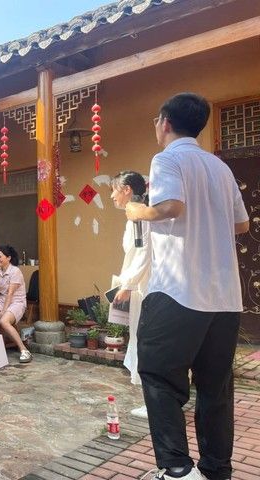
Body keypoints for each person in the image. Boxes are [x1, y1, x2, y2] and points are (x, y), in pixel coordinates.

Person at [126, 93, 249, 480]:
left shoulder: (167, 159)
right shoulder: (220, 167)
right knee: (216, 389)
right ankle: (216, 470)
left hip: (178, 292)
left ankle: (177, 469)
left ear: (165, 122)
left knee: (159, 376)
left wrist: (138, 210)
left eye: (156, 121)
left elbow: (171, 207)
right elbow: (242, 224)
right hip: (224, 298)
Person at [110, 171, 151, 418]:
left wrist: (128, 284)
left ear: (127, 190)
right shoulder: (135, 216)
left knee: (144, 340)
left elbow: (144, 253)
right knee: (139, 339)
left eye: (114, 190)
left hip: (144, 289)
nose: (112, 196)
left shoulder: (139, 216)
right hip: (137, 287)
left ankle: (154, 401)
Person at [0, 245, 32, 363]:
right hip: (2, 300)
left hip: (17, 302)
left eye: (0, 256)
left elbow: (10, 294)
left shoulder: (15, 271)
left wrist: (4, 311)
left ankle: (24, 350)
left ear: (8, 258)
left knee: (3, 321)